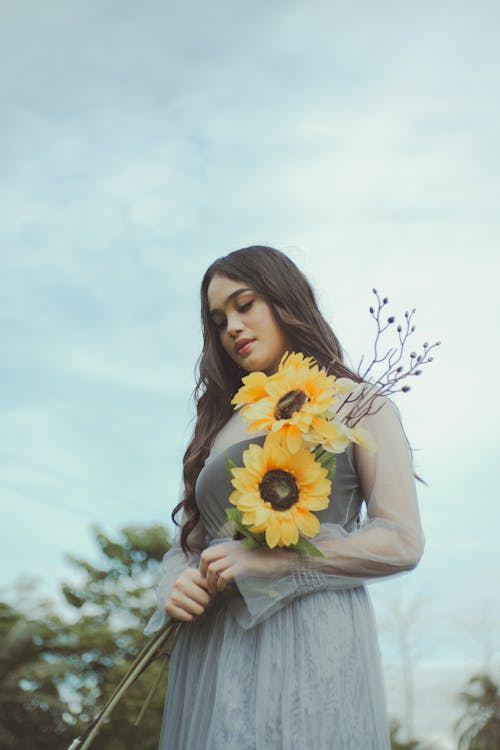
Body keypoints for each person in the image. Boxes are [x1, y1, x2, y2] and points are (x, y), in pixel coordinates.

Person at [145, 245, 425, 750]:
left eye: (244, 303)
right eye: (217, 319)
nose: (231, 325)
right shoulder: (221, 422)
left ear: (285, 298)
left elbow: (402, 540)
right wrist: (171, 585)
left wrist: (274, 563)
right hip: (213, 651)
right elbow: (189, 543)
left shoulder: (359, 403)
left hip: (311, 639)